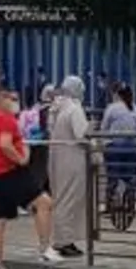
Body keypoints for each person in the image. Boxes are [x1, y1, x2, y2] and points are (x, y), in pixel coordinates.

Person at [0, 87, 60, 269]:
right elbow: (5, 144)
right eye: (11, 98)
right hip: (8, 172)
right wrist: (21, 159)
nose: (15, 102)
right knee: (44, 202)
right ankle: (45, 249)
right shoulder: (5, 119)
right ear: (1, 99)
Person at [45, 76, 91, 257]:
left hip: (57, 158)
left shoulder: (56, 108)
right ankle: (64, 241)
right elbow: (81, 134)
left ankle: (62, 239)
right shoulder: (74, 108)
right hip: (73, 159)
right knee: (70, 200)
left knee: (61, 198)